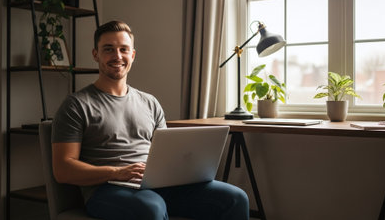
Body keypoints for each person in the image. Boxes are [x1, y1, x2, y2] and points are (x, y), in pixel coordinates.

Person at [51, 20, 249, 220]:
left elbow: (167, 154)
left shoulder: (150, 102)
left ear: (133, 55)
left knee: (235, 198)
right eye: (109, 49)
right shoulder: (76, 105)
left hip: (157, 185)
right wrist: (116, 172)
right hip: (108, 189)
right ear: (96, 54)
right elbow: (63, 169)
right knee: (151, 208)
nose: (117, 56)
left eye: (123, 49)